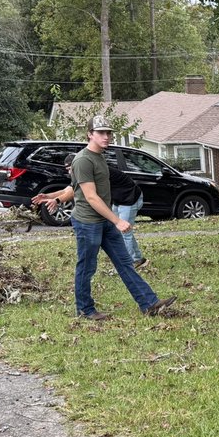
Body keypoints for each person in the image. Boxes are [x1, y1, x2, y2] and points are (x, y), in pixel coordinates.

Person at [33, 119, 174, 321]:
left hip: (104, 220)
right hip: (88, 222)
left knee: (125, 262)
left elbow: (75, 188)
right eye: (101, 132)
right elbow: (90, 196)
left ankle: (149, 304)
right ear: (90, 134)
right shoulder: (82, 160)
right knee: (87, 266)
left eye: (108, 132)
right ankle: (84, 310)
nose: (106, 136)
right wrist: (117, 220)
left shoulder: (99, 157)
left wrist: (54, 197)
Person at [40, 157, 147, 268]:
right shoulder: (82, 172)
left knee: (124, 232)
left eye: (70, 168)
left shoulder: (94, 171)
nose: (69, 172)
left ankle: (131, 262)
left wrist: (57, 200)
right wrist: (48, 196)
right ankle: (138, 258)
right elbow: (67, 190)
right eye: (67, 169)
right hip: (119, 200)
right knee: (120, 231)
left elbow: (73, 192)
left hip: (130, 198)